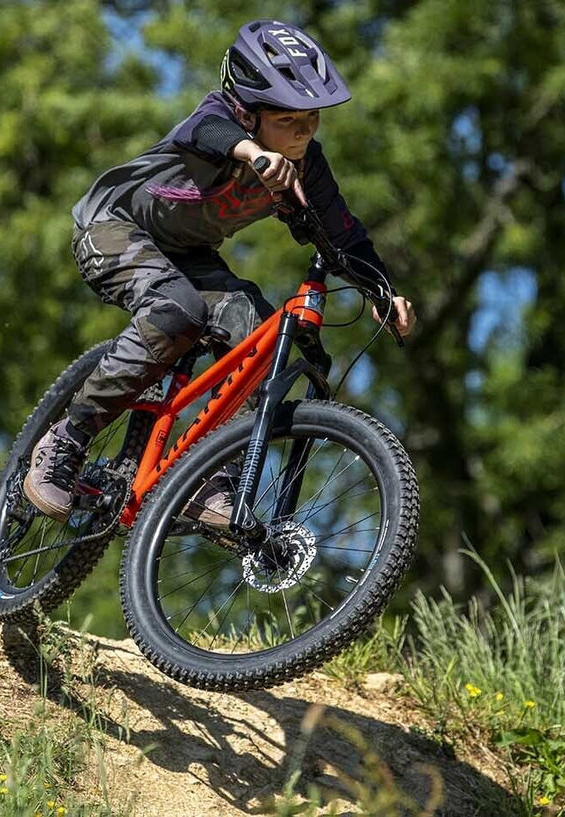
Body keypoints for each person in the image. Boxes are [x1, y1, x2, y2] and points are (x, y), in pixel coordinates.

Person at [24, 20, 416, 526]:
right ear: (249, 113)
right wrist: (253, 153)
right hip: (112, 227)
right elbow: (211, 132)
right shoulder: (218, 118)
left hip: (189, 255)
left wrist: (384, 293)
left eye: (312, 119)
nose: (302, 132)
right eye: (287, 120)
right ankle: (64, 441)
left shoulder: (307, 168)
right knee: (176, 310)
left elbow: (345, 235)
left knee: (256, 332)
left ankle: (211, 473)